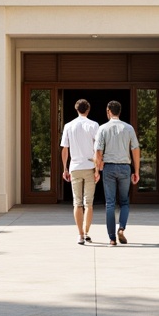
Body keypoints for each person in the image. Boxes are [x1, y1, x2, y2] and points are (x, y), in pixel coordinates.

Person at [93, 99, 140, 247]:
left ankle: (112, 239)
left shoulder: (102, 128)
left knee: (110, 203)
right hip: (125, 167)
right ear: (120, 112)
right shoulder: (129, 128)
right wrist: (136, 170)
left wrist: (97, 169)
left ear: (108, 111)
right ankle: (122, 228)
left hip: (109, 168)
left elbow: (98, 151)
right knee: (125, 201)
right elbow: (135, 150)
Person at [60, 98, 100, 245]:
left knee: (77, 203)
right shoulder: (94, 125)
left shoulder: (69, 126)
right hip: (89, 166)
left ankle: (80, 234)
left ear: (76, 109)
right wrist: (97, 169)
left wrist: (65, 168)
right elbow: (97, 149)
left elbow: (65, 149)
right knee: (88, 203)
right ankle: (87, 232)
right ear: (88, 110)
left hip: (75, 167)